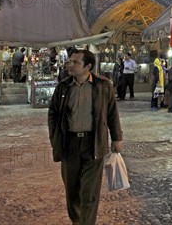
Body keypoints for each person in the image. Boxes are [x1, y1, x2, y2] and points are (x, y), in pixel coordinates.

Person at [48, 49, 123, 225]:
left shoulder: (103, 86)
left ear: (88, 66)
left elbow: (112, 113)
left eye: (76, 63)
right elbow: (53, 113)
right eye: (70, 62)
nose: (70, 65)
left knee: (89, 193)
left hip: (93, 144)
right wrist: (54, 138)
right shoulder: (63, 87)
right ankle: (78, 220)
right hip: (69, 145)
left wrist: (117, 138)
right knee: (72, 191)